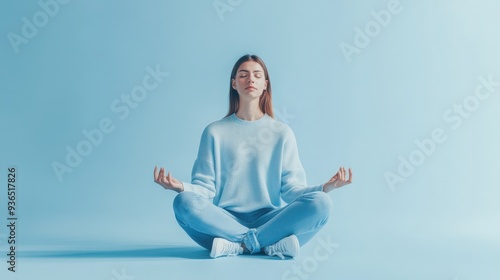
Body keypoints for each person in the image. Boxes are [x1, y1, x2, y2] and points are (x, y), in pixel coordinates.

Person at [153, 54, 353, 259]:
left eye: (257, 75)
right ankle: (266, 245)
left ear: (265, 84)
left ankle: (239, 245)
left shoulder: (281, 133)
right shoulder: (214, 132)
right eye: (243, 75)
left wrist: (324, 188)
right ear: (234, 83)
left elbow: (292, 190)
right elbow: (205, 189)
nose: (250, 79)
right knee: (183, 202)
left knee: (321, 203)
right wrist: (181, 187)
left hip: (271, 221)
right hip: (223, 222)